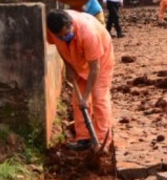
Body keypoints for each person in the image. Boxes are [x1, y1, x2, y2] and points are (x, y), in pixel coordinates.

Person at [46, 9, 115, 150]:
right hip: (77, 57)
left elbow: (95, 68)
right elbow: (58, 46)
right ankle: (83, 138)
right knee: (78, 101)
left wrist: (86, 95)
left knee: (99, 97)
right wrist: (68, 65)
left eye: (66, 34)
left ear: (70, 24)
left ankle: (102, 141)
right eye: (60, 36)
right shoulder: (52, 30)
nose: (63, 38)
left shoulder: (88, 34)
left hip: (101, 59)